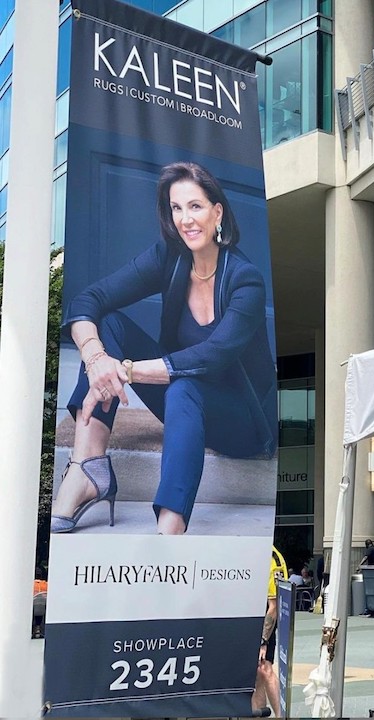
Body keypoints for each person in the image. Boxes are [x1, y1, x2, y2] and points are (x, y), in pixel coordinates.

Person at [49, 161, 277, 535]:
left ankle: (170, 529)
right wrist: (95, 359)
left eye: (196, 206)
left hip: (241, 420)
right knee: (108, 326)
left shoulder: (245, 280)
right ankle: (87, 466)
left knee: (186, 384)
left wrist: (124, 369)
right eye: (176, 208)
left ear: (217, 212)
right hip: (181, 400)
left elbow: (213, 354)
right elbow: (88, 300)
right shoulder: (169, 259)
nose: (185, 219)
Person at [252, 546, 287, 717]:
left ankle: (282, 715)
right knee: (257, 672)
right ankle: (260, 714)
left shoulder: (272, 558)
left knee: (265, 668)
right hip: (253, 618)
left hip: (265, 622)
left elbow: (273, 606)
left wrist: (263, 641)